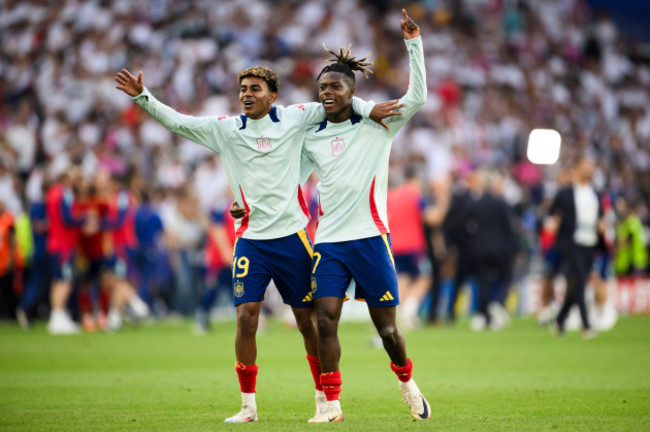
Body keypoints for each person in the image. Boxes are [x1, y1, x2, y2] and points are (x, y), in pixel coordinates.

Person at [114, 63, 400, 423]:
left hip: (294, 238)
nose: (247, 95)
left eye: (254, 89)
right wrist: (144, 97)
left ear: (273, 95)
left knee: (307, 323)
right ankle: (248, 406)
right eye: (243, 89)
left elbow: (340, 102)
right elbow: (178, 122)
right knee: (246, 318)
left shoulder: (297, 118)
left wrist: (367, 108)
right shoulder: (226, 130)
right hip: (250, 239)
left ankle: (323, 400)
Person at [299, 9, 430, 422]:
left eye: (335, 86)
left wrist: (413, 43)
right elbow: (290, 182)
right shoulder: (312, 138)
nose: (326, 93)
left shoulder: (378, 126)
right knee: (325, 321)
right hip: (329, 242)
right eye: (322, 87)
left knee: (388, 331)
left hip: (372, 238)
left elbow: (418, 98)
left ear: (351, 90)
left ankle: (407, 382)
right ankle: (331, 404)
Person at [549, 157, 603, 339]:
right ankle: (587, 325)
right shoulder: (565, 193)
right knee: (579, 280)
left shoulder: (594, 193)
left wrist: (602, 226)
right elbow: (551, 215)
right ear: (576, 169)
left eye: (591, 167)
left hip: (590, 243)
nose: (589, 170)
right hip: (571, 243)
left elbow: (601, 217)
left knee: (578, 284)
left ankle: (560, 320)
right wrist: (552, 224)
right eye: (585, 167)